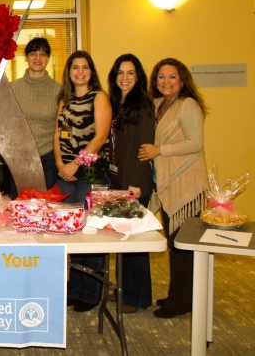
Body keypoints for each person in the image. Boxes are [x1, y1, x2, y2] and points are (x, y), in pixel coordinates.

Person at [138, 57, 208, 318]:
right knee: (175, 245)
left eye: (172, 77)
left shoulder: (188, 105)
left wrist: (160, 150)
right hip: (166, 184)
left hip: (185, 186)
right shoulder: (158, 105)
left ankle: (181, 302)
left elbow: (195, 143)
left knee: (183, 247)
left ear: (182, 82)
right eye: (161, 77)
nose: (166, 82)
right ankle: (180, 294)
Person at [54, 50, 112, 312]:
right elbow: (57, 135)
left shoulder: (99, 97)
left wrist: (75, 165)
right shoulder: (64, 99)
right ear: (69, 72)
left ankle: (91, 292)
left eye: (85, 67)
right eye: (75, 67)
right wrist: (59, 165)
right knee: (72, 233)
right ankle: (74, 286)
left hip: (90, 174)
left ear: (91, 71)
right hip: (66, 174)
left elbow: (100, 137)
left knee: (91, 233)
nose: (80, 71)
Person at [107, 53, 155, 314]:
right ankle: (124, 288)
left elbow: (144, 149)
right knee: (122, 239)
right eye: (120, 73)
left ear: (138, 77)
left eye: (130, 73)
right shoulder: (116, 104)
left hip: (134, 184)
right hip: (116, 180)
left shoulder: (143, 107)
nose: (125, 78)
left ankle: (135, 298)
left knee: (135, 242)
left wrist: (135, 185)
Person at [10, 37, 61, 198]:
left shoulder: (59, 90)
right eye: (33, 53)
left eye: (43, 54)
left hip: (48, 158)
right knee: (19, 207)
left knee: (47, 208)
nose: (38, 58)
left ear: (48, 59)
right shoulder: (12, 89)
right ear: (25, 57)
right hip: (20, 159)